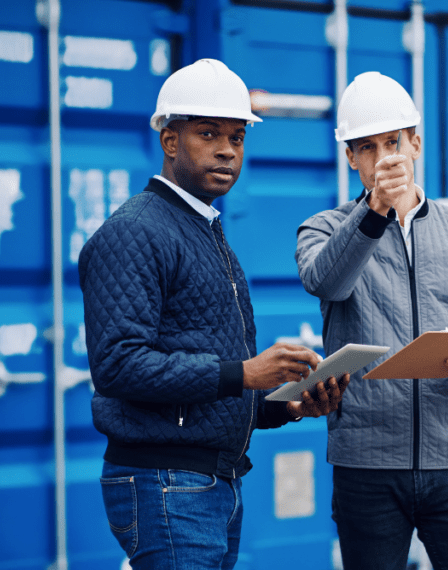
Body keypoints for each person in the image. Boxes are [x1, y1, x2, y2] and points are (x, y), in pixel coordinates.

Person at [79, 58, 350, 570]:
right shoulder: (136, 233)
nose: (228, 149)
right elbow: (116, 365)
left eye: (238, 137)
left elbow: (216, 385)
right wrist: (245, 373)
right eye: (209, 134)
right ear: (171, 141)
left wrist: (287, 406)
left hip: (210, 483)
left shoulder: (202, 230)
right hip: (166, 484)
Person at [295, 71, 448, 570]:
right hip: (365, 464)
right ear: (350, 157)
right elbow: (326, 283)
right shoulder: (324, 229)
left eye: (392, 142)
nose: (382, 160)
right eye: (366, 148)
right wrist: (374, 211)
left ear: (415, 143)